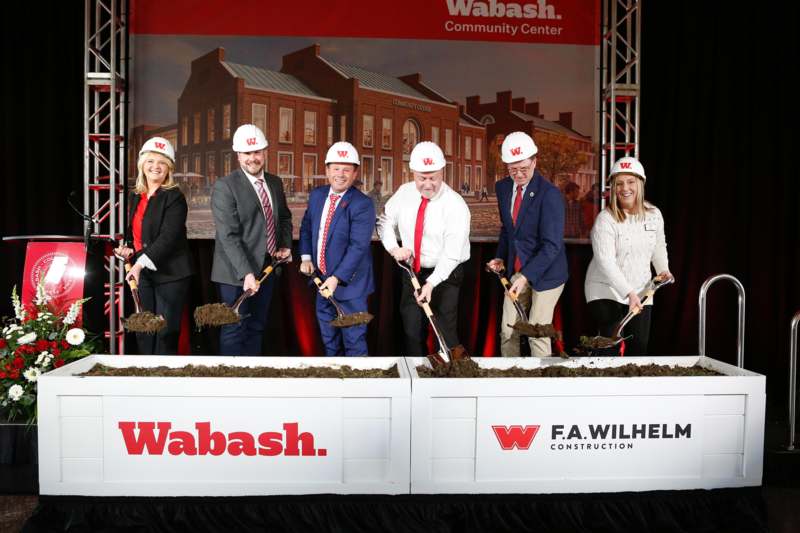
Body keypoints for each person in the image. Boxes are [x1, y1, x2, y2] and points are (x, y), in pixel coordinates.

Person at [381, 141, 470, 357]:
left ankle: (450, 379)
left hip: (446, 275)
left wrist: (431, 284)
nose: (427, 184)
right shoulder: (404, 192)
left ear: (442, 172)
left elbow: (452, 253)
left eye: (433, 178)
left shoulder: (456, 205)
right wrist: (394, 248)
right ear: (413, 173)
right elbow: (384, 221)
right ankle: (418, 379)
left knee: (445, 331)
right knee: (412, 331)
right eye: (422, 178)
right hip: (412, 271)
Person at [211, 124, 292, 355]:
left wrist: (284, 244)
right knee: (233, 328)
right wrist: (247, 274)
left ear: (265, 152)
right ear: (238, 155)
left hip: (267, 268)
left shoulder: (275, 183)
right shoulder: (225, 186)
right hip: (235, 273)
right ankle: (232, 383)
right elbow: (228, 235)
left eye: (257, 152)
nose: (252, 158)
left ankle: (250, 376)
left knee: (257, 326)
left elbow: (284, 217)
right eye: (247, 153)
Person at [487, 131, 568, 357]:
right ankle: (509, 381)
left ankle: (541, 387)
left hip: (548, 273)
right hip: (518, 269)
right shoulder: (503, 188)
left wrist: (524, 277)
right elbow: (508, 230)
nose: (519, 174)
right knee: (508, 330)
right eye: (513, 169)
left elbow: (552, 245)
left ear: (535, 161)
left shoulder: (549, 194)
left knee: (536, 332)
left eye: (524, 168)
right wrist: (501, 257)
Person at [584, 157, 672, 356]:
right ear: (613, 188)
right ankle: (604, 384)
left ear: (640, 184)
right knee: (610, 344)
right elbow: (605, 262)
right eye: (619, 183)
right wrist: (628, 292)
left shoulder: (654, 214)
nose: (625, 188)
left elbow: (658, 246)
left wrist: (663, 270)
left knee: (639, 345)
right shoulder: (605, 220)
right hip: (605, 288)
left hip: (642, 289)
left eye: (631, 182)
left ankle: (633, 387)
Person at [115, 137, 194, 355]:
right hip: (144, 273)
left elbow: (168, 238)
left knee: (165, 331)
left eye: (161, 162)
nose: (155, 167)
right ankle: (144, 378)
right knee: (144, 328)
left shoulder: (175, 197)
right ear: (142, 164)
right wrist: (129, 247)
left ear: (169, 167)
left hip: (172, 274)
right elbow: (136, 233)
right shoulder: (135, 195)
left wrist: (138, 265)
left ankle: (164, 381)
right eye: (150, 161)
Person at [299, 142, 375, 356]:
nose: (340, 174)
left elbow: (358, 247)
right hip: (321, 282)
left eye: (346, 169)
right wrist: (306, 257)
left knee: (354, 343)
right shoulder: (317, 195)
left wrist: (335, 279)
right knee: (329, 342)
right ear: (327, 170)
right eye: (336, 168)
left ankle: (356, 388)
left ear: (355, 173)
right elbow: (306, 227)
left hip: (350, 288)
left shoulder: (362, 204)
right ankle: (335, 386)